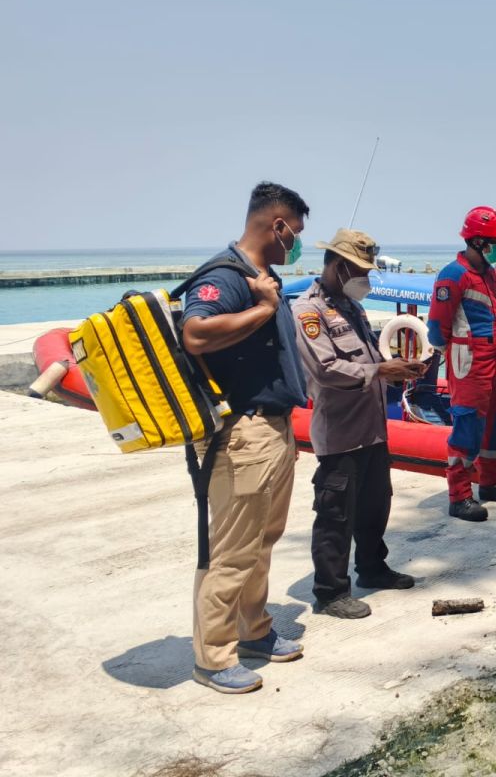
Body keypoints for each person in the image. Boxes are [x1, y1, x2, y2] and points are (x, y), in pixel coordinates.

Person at [181, 182, 311, 694]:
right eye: (294, 234)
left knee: (263, 540)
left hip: (273, 428)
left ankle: (254, 630)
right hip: (241, 434)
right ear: (276, 225)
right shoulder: (225, 276)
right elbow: (195, 333)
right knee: (232, 549)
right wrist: (260, 310)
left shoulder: (263, 277)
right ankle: (212, 657)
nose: (296, 243)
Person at [293, 229, 428, 620]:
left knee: (374, 504)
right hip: (341, 433)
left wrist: (396, 372)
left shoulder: (351, 308)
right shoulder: (309, 311)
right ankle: (331, 591)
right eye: (360, 271)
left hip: (372, 428)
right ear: (338, 267)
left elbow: (366, 360)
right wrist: (380, 369)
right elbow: (326, 369)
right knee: (336, 513)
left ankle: (372, 567)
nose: (366, 280)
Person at [426, 206, 496, 522]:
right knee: (468, 425)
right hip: (470, 361)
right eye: (495, 240)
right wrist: (453, 354)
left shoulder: (491, 275)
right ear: (478, 240)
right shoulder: (453, 275)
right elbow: (437, 326)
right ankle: (459, 496)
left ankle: (490, 483)